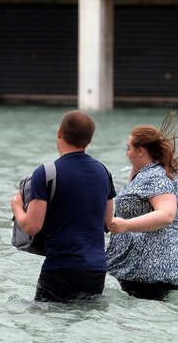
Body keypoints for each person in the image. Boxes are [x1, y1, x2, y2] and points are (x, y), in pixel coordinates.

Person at [11, 110, 116, 302]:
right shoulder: (103, 172)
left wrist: (17, 207)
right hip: (96, 270)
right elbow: (108, 223)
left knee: (47, 325)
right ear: (89, 140)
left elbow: (32, 226)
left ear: (59, 132)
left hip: (60, 268)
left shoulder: (46, 173)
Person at [105, 113, 178, 300]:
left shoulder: (156, 177)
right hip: (144, 269)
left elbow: (167, 215)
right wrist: (135, 168)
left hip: (152, 271)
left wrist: (125, 225)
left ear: (140, 150)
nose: (126, 153)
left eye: (128, 148)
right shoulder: (149, 173)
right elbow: (134, 200)